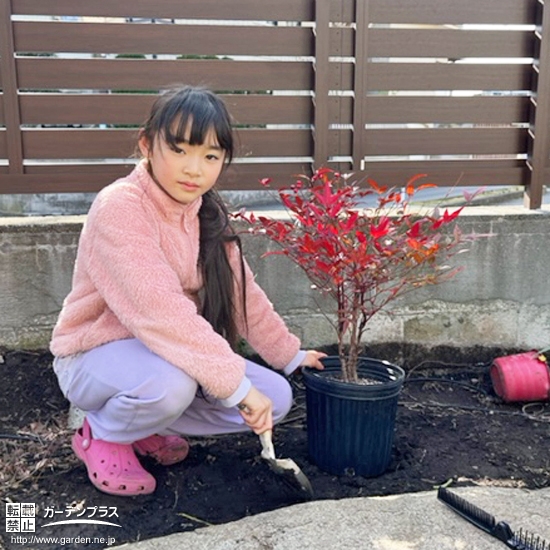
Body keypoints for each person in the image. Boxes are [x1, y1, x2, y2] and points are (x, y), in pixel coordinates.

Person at [50, 85, 326, 496]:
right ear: (147, 144)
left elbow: (241, 295)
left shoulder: (206, 213)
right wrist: (233, 385)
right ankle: (104, 433)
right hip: (94, 357)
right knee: (174, 384)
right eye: (179, 150)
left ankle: (145, 425)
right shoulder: (120, 206)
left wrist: (289, 355)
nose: (194, 169)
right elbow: (159, 309)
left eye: (210, 156)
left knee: (275, 397)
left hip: (163, 359)